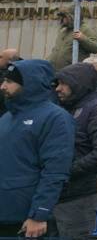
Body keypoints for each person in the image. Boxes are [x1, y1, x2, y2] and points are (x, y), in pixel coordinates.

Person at [0, 59, 74, 238]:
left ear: (29, 83)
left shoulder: (55, 118)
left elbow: (55, 171)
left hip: (27, 219)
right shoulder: (7, 117)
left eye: (9, 82)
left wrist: (39, 213)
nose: (3, 86)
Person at [52, 62, 97, 239]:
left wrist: (68, 171)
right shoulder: (65, 106)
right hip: (59, 193)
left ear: (78, 84)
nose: (58, 88)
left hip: (78, 195)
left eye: (64, 84)